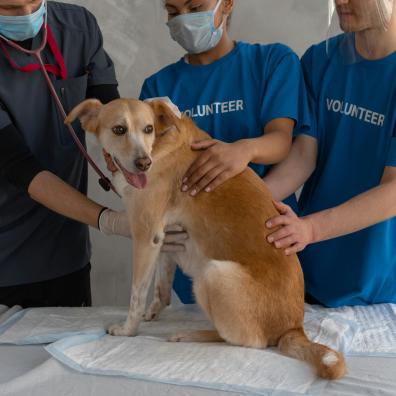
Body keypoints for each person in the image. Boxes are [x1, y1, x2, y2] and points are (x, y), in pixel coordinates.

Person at [0, 0, 177, 308]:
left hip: (67, 253)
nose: (28, 15)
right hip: (7, 259)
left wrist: (131, 138)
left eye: (33, 4)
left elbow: (109, 108)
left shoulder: (77, 26)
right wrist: (110, 221)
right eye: (12, 9)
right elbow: (18, 166)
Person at [138, 0, 311, 303]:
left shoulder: (271, 61)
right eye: (173, 12)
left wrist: (245, 150)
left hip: (262, 239)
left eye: (194, 7)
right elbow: (148, 174)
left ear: (227, 4)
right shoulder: (157, 89)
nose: (184, 20)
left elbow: (282, 141)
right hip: (195, 256)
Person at [264, 0, 396, 307]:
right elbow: (302, 157)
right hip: (308, 275)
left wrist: (311, 228)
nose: (341, 2)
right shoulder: (320, 60)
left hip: (379, 291)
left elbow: (393, 191)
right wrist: (239, 202)